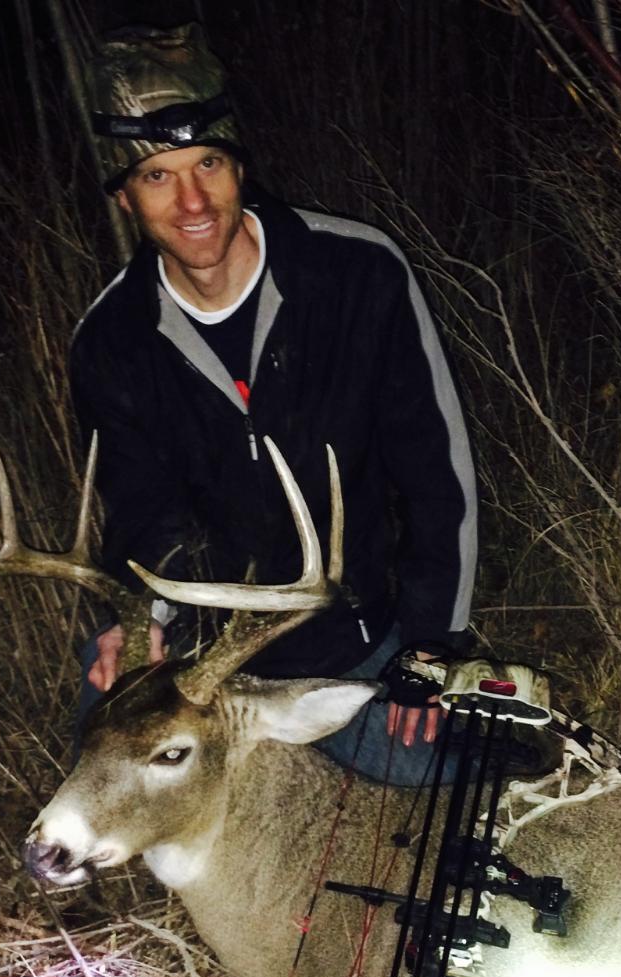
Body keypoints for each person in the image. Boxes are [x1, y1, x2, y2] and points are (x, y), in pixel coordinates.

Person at [70, 25, 476, 784]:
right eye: (158, 176)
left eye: (208, 165)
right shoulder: (110, 342)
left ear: (239, 167)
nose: (192, 201)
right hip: (205, 663)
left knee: (451, 781)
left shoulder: (358, 274)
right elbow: (140, 511)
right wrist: (139, 623)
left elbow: (436, 473)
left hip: (351, 640)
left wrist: (432, 646)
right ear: (124, 196)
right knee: (100, 781)